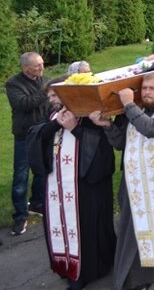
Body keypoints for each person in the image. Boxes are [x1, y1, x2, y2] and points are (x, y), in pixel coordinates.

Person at [89, 71, 154, 290]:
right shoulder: (138, 111)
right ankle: (140, 272)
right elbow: (122, 143)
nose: (147, 93)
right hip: (134, 179)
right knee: (134, 225)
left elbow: (152, 129)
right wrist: (107, 126)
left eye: (153, 88)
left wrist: (128, 105)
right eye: (144, 89)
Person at [29, 77, 115, 290]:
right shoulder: (52, 116)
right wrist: (56, 124)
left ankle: (86, 272)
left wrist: (76, 129)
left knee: (85, 228)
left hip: (86, 190)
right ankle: (66, 264)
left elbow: (102, 157)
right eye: (49, 95)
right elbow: (35, 138)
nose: (51, 99)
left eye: (55, 95)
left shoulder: (90, 116)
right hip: (57, 188)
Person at [6, 52, 49, 235]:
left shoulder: (45, 79)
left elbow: (51, 103)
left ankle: (37, 203)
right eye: (37, 65)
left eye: (42, 64)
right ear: (25, 68)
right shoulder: (13, 84)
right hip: (24, 135)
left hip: (43, 132)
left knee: (42, 170)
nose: (42, 68)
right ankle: (20, 216)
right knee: (21, 176)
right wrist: (46, 91)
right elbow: (24, 104)